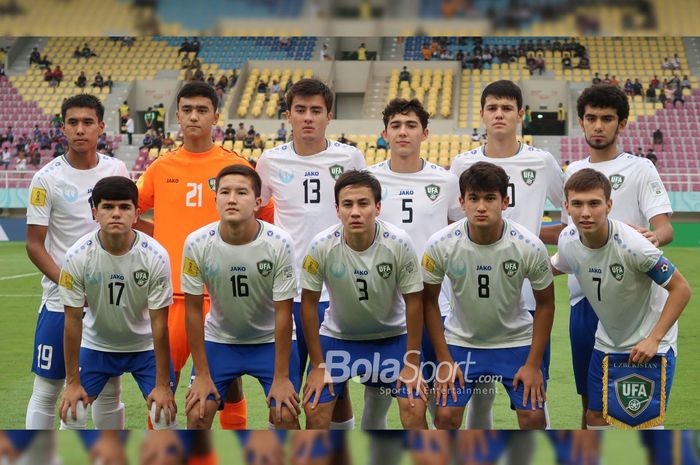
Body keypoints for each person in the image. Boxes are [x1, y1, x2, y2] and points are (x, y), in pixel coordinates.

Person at [135, 82, 274, 432]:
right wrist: (160, 239)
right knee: (163, 382)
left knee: (226, 382)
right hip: (172, 295)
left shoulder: (235, 166)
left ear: (215, 116)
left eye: (201, 109)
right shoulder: (161, 167)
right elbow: (127, 211)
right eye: (187, 110)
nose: (194, 116)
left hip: (224, 296)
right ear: (177, 115)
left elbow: (266, 218)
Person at [540, 84, 674, 429]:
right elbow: (567, 233)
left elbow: (664, 229)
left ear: (622, 124)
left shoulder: (641, 168)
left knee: (633, 407)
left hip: (632, 298)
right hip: (584, 297)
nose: (598, 125)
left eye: (607, 118)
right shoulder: (573, 173)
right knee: (592, 404)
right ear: (581, 123)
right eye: (591, 118)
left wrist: (650, 237)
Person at [450, 80, 564, 435]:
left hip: (525, 297)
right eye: (492, 108)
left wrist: (554, 260)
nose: (499, 114)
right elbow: (453, 221)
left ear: (521, 115)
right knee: (479, 394)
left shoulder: (541, 161)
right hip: (472, 297)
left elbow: (571, 213)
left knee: (531, 392)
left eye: (507, 108)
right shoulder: (462, 162)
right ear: (482, 114)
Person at [256, 78, 366, 431]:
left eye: (315, 110)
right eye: (300, 110)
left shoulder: (349, 157)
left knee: (335, 388)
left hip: (338, 290)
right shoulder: (270, 160)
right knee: (284, 396)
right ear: (288, 114)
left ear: (328, 115)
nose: (308, 118)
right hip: (288, 290)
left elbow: (361, 214)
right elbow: (254, 215)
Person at [551, 169, 691, 429]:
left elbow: (681, 289)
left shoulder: (634, 246)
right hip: (607, 340)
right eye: (578, 204)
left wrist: (654, 339)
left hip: (648, 344)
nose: (585, 213)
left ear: (609, 205)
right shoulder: (568, 239)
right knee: (594, 415)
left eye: (594, 203)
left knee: (643, 423)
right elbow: (558, 264)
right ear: (566, 207)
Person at [422, 162, 554, 431]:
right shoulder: (440, 243)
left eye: (490, 198)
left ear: (505, 202)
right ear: (461, 202)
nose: (481, 207)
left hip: (515, 342)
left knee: (533, 417)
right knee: (445, 416)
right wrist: (445, 359)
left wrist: (533, 364)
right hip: (461, 342)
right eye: (473, 198)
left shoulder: (528, 245)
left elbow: (546, 304)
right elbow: (428, 302)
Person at [25, 94, 129, 430]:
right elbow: (34, 245)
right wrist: (70, 283)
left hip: (108, 301)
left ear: (101, 126)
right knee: (48, 389)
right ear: (63, 128)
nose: (80, 129)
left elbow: (127, 226)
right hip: (60, 302)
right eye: (73, 122)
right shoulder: (47, 178)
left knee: (109, 388)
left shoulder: (116, 169)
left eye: (88, 122)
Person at [300, 170, 427, 429]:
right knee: (315, 408)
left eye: (363, 204)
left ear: (378, 207)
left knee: (414, 407)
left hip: (394, 338)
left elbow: (415, 302)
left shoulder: (399, 243)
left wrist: (412, 362)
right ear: (337, 209)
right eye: (347, 204)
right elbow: (309, 303)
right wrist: (317, 365)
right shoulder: (321, 245)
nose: (355, 212)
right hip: (339, 338)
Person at [366, 98, 463, 429]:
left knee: (439, 398)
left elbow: (461, 234)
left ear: (425, 134)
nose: (403, 132)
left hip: (436, 305)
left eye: (411, 126)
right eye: (396, 125)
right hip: (384, 308)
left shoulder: (447, 181)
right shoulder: (368, 179)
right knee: (377, 398)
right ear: (384, 134)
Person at [183, 165, 300, 430]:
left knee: (285, 415)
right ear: (215, 200)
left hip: (270, 341)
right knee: (197, 414)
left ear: (258, 202)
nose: (232, 199)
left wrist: (281, 377)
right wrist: (201, 373)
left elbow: (284, 312)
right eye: (224, 192)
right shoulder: (196, 243)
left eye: (241, 192)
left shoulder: (280, 243)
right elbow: (192, 310)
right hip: (221, 340)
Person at [58, 176, 177, 430]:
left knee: (163, 414)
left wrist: (163, 385)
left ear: (136, 214)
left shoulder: (155, 255)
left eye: (124, 207)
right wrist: (72, 383)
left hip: (144, 348)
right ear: (94, 213)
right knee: (73, 413)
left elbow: (160, 323)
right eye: (107, 207)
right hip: (97, 345)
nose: (116, 214)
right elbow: (71, 319)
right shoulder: (77, 256)